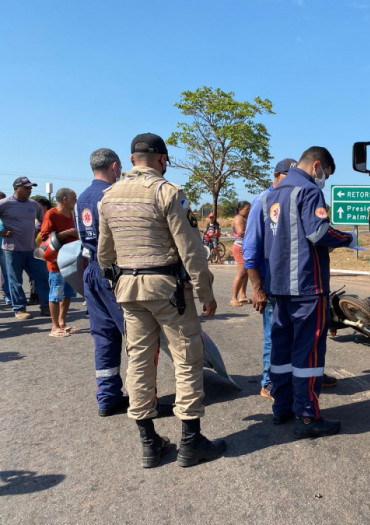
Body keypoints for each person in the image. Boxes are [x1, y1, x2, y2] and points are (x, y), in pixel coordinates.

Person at [98, 132, 225, 468]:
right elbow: (191, 250)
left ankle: (149, 444)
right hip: (169, 290)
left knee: (139, 363)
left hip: (128, 291)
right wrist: (206, 293)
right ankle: (190, 442)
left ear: (131, 159)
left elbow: (104, 254)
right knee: (187, 360)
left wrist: (121, 285)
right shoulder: (166, 192)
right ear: (160, 159)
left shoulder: (108, 197)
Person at [249, 146, 354, 438]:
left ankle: (282, 407)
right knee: (308, 353)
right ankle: (307, 417)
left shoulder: (273, 193)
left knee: (280, 351)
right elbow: (318, 232)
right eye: (326, 175)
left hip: (278, 286)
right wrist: (349, 238)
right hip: (308, 287)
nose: (324, 180)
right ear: (317, 165)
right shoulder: (309, 190)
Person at [77, 148, 130, 416]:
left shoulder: (82, 197)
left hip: (92, 272)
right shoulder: (110, 195)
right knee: (137, 335)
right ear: (114, 166)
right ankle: (148, 396)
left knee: (104, 337)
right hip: (113, 272)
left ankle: (107, 397)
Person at [244, 158, 295, 400]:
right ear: (275, 176)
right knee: (274, 334)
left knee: (297, 334)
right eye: (288, 177)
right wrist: (257, 289)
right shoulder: (263, 201)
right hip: (272, 284)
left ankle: (297, 375)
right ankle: (269, 381)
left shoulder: (295, 198)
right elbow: (251, 250)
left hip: (295, 283)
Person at [0, 177, 50, 319]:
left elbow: (43, 220)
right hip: (12, 249)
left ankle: (46, 307)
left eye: (30, 188)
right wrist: (1, 232)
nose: (29, 190)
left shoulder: (33, 205)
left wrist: (36, 228)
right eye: (26, 188)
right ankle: (20, 309)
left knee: (42, 277)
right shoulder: (5, 203)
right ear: (16, 188)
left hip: (31, 248)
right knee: (15, 280)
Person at [40, 188, 79, 337]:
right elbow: (45, 237)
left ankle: (62, 322)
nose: (76, 200)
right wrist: (69, 232)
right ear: (65, 199)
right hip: (56, 261)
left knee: (68, 293)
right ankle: (54, 326)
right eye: (74, 198)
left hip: (71, 260)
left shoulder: (72, 214)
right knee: (55, 293)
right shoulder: (51, 214)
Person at [230, 201, 251, 306]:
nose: (249, 211)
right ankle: (233, 298)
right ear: (240, 209)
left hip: (244, 247)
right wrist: (253, 231)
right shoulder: (239, 218)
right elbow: (240, 233)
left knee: (246, 273)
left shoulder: (244, 218)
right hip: (239, 248)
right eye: (247, 209)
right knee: (241, 273)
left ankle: (242, 295)